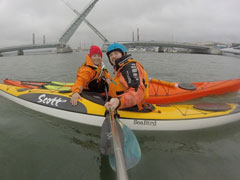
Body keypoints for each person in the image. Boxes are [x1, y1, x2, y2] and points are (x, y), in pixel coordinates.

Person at [104, 43, 150, 111]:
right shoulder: (123, 67)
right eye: (110, 55)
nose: (113, 56)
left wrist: (118, 101)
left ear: (123, 54)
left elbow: (137, 92)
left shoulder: (129, 67)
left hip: (131, 107)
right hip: (122, 103)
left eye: (116, 53)